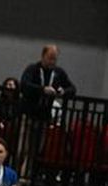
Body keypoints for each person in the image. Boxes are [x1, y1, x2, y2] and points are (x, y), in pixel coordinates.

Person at [18, 45, 76, 178]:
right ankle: (16, 174)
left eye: (54, 59)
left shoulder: (58, 73)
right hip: (29, 114)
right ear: (43, 56)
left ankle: (25, 176)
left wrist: (63, 91)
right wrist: (42, 89)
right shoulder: (33, 69)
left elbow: (72, 88)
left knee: (36, 149)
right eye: (50, 58)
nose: (52, 62)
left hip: (44, 118)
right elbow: (24, 85)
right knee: (22, 148)